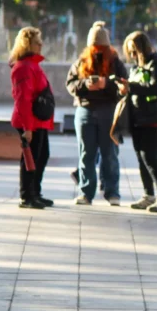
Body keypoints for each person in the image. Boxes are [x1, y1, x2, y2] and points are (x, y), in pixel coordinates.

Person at [67, 23, 128, 206]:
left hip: (108, 111)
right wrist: (86, 85)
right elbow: (70, 84)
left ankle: (112, 192)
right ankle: (86, 192)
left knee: (110, 153)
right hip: (85, 110)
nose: (97, 51)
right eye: (94, 47)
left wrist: (106, 85)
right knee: (86, 153)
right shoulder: (81, 62)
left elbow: (124, 85)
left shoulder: (116, 63)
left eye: (101, 47)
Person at [119, 31, 157, 213]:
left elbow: (156, 87)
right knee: (141, 157)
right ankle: (148, 194)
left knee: (150, 158)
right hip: (139, 118)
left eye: (134, 51)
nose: (132, 55)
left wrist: (131, 87)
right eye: (130, 52)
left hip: (155, 118)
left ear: (142, 48)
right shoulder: (137, 67)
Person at [10, 26, 54, 209]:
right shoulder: (24, 68)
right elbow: (23, 99)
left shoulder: (33, 65)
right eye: (37, 42)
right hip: (30, 121)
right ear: (28, 44)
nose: (41, 45)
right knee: (30, 158)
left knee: (42, 156)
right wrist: (27, 128)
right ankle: (26, 196)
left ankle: (35, 191)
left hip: (38, 120)